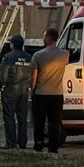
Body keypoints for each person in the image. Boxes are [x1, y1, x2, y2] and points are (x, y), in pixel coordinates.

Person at [30, 28, 69, 156]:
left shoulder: (38, 55)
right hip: (57, 93)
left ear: (48, 38)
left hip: (41, 93)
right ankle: (53, 147)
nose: (43, 39)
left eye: (44, 36)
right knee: (54, 121)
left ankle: (39, 144)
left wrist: (32, 90)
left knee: (39, 121)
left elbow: (34, 76)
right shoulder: (65, 55)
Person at [0, 35, 31, 149]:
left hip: (11, 90)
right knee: (22, 118)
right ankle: (22, 143)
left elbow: (3, 75)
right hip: (24, 90)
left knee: (9, 117)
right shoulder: (28, 57)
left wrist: (2, 86)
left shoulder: (8, 57)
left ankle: (11, 143)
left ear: (12, 44)